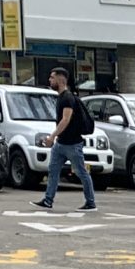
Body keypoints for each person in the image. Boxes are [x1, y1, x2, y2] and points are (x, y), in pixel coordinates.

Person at [39, 66, 97, 211]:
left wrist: (52, 136)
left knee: (81, 172)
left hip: (72, 144)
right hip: (61, 144)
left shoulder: (67, 98)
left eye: (52, 78)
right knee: (53, 171)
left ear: (60, 79)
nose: (49, 80)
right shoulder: (61, 98)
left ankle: (90, 202)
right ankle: (48, 200)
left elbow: (65, 120)